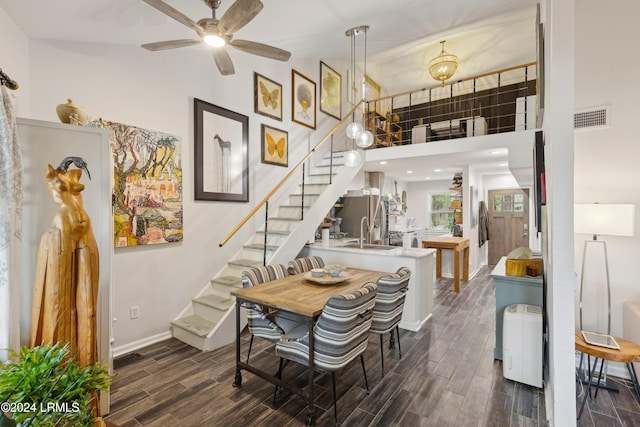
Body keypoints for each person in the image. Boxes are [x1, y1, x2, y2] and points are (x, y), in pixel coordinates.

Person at [29, 160, 99, 371]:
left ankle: (86, 373)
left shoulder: (71, 179)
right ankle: (60, 371)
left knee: (88, 304)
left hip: (82, 223)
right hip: (64, 224)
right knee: (58, 298)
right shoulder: (56, 180)